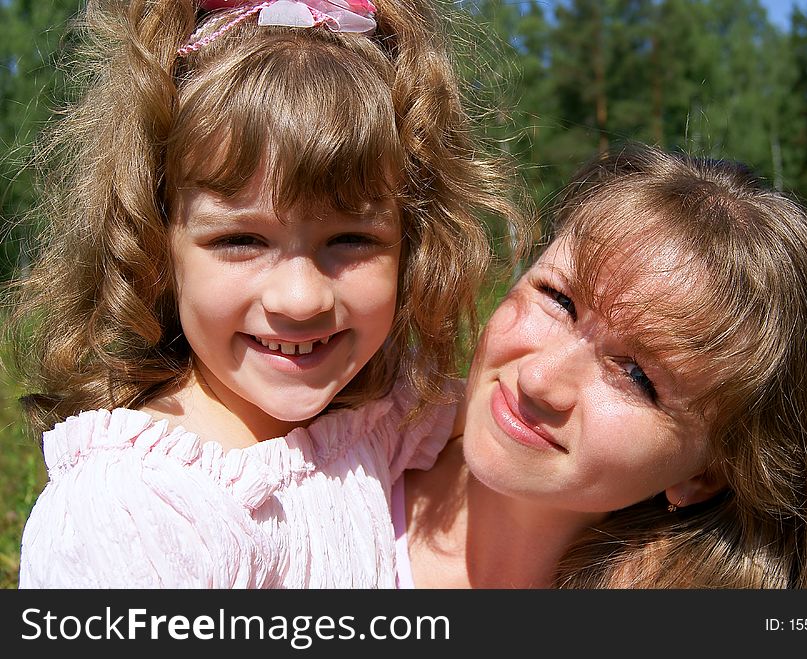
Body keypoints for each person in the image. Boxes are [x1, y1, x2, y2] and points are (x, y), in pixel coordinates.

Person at [8, 0, 525, 587]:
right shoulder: (137, 508)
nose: (300, 299)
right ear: (157, 244)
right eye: (239, 240)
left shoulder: (376, 413)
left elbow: (491, 421)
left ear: (413, 245)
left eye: (353, 239)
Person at [395, 144, 807, 589]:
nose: (539, 380)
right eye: (559, 299)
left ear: (706, 475)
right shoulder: (338, 444)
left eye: (638, 377)